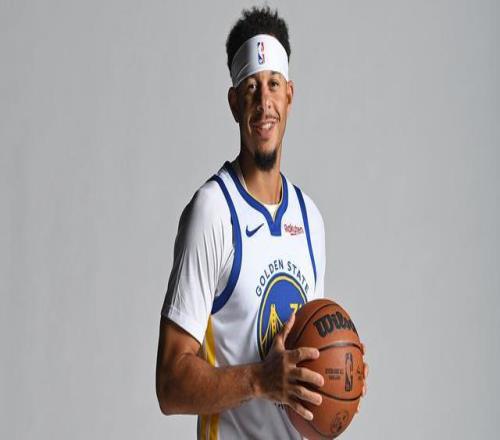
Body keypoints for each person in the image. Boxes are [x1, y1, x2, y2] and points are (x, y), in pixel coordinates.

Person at [156, 6, 367, 439]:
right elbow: (170, 384)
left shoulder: (310, 220)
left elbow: (306, 365)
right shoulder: (213, 212)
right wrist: (260, 380)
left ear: (289, 95)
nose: (263, 102)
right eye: (250, 88)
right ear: (234, 103)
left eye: (273, 85)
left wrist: (342, 377)